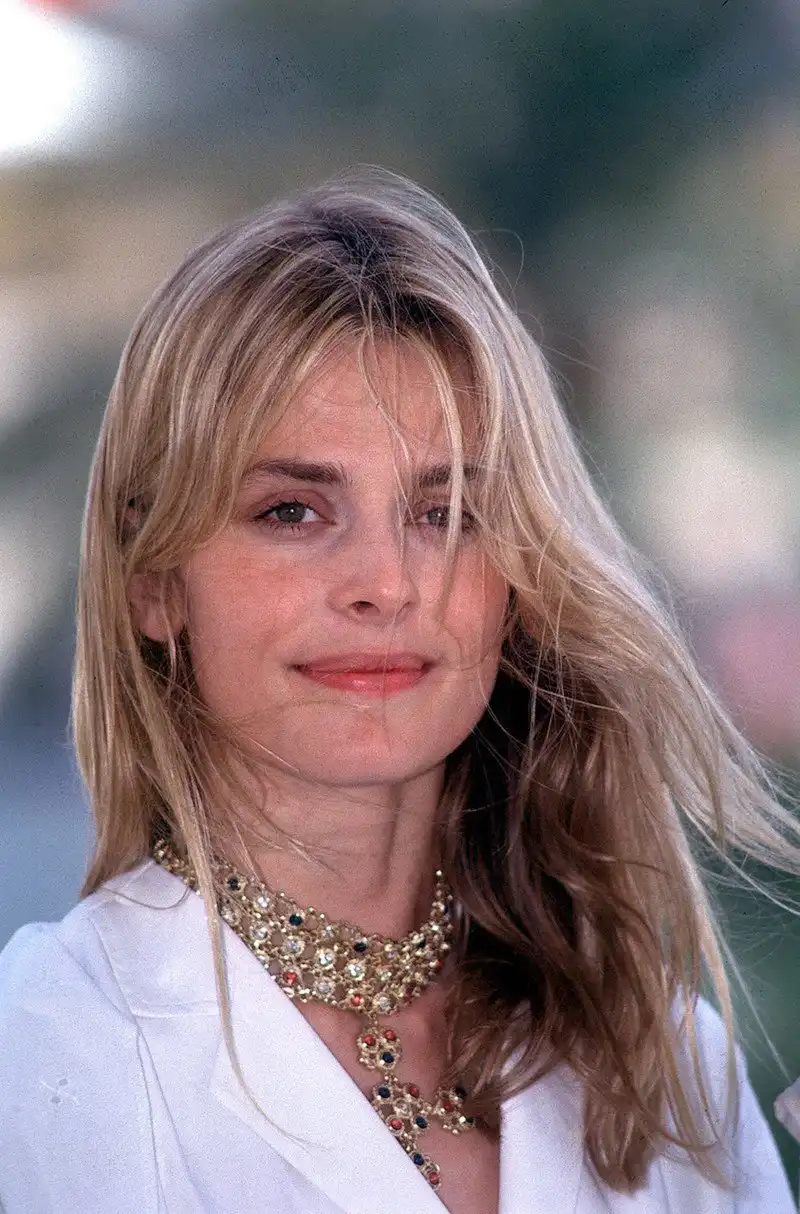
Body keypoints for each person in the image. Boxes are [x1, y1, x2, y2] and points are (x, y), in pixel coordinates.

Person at [0, 166, 797, 1214]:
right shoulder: (41, 1060)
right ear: (153, 581)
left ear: (519, 580)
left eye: (446, 512)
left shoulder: (663, 1064)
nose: (385, 582)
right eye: (292, 511)